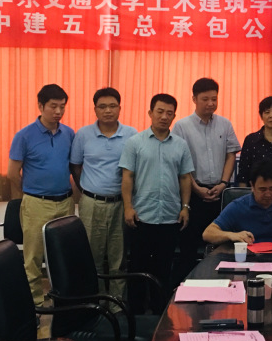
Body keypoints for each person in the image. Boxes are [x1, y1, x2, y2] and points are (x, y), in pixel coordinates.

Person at [119, 93, 193, 313]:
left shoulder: (180, 145)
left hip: (170, 216)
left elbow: (185, 178)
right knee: (137, 267)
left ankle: (160, 313)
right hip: (141, 216)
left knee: (163, 268)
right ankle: (136, 313)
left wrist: (185, 207)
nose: (164, 116)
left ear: (174, 116)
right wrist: (128, 207)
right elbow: (127, 176)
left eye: (169, 113)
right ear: (150, 113)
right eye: (160, 112)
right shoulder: (135, 142)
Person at [8, 84, 75, 307]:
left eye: (62, 107)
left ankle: (63, 301)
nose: (58, 111)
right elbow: (12, 173)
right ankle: (35, 304)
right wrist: (30, 194)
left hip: (65, 202)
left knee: (63, 255)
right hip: (37, 203)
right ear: (40, 106)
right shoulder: (24, 136)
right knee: (33, 258)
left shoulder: (69, 134)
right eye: (53, 106)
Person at [70, 87, 137, 304]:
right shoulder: (83, 135)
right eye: (102, 106)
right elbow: (76, 166)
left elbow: (134, 171)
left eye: (112, 106)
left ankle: (117, 304)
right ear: (95, 109)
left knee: (119, 258)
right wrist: (86, 189)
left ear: (120, 108)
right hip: (91, 203)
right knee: (92, 257)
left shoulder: (131, 135)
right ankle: (96, 302)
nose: (108, 111)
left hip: (120, 203)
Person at [172, 77, 241, 282]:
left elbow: (231, 154)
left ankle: (221, 285)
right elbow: (180, 163)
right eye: (205, 99)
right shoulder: (182, 126)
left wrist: (223, 183)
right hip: (193, 194)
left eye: (214, 99)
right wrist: (196, 188)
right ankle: (186, 288)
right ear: (194, 99)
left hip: (220, 193)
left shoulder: (225, 124)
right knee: (189, 247)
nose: (211, 103)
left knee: (221, 247)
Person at [203, 158, 272, 244]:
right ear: (252, 186)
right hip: (248, 259)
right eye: (262, 189)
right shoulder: (238, 206)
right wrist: (232, 235)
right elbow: (207, 234)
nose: (268, 194)